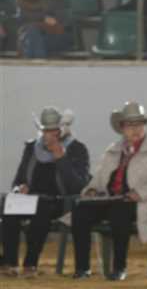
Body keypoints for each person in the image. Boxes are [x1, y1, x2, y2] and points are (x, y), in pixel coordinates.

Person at [71, 101, 147, 281]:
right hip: (111, 200)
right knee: (80, 211)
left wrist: (139, 193)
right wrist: (92, 190)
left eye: (139, 124)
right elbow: (98, 179)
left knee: (119, 211)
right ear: (122, 128)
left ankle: (119, 267)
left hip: (141, 203)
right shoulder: (112, 151)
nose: (136, 129)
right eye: (130, 125)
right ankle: (82, 268)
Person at [2, 108, 89, 278]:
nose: (50, 134)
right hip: (30, 199)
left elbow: (78, 187)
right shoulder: (32, 148)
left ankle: (30, 264)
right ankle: (9, 262)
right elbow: (18, 180)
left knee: (42, 206)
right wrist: (19, 188)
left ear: (63, 129)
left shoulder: (77, 149)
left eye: (54, 130)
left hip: (59, 202)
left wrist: (61, 158)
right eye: (46, 130)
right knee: (7, 203)